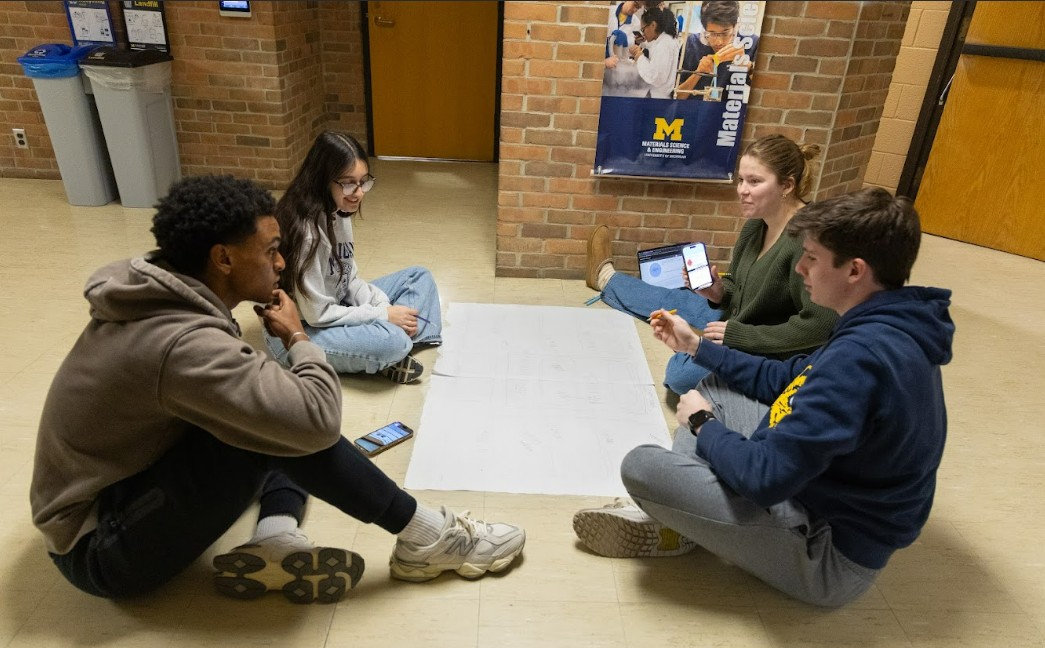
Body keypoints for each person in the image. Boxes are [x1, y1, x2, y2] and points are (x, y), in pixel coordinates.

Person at [30, 174, 525, 604]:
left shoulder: (161, 294)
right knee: (285, 418)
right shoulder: (180, 343)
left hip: (121, 491)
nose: (282, 263)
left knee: (264, 407)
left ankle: (276, 533)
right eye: (269, 251)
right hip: (99, 549)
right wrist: (297, 336)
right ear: (223, 258)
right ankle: (425, 537)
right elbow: (316, 421)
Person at [573, 188, 954, 608]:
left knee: (642, 465)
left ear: (854, 271)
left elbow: (767, 479)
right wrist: (697, 347)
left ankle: (674, 519)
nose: (801, 268)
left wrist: (704, 426)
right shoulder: (883, 321)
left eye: (812, 257)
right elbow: (786, 378)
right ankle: (687, 513)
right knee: (714, 384)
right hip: (814, 488)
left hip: (825, 554)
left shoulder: (860, 360)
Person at [586, 134, 837, 394]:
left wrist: (738, 336)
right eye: (741, 180)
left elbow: (820, 325)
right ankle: (606, 277)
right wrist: (718, 292)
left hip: (770, 347)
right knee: (675, 299)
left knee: (680, 376)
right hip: (737, 319)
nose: (742, 190)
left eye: (754, 181)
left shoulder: (809, 241)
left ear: (787, 185)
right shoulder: (756, 224)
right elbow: (737, 285)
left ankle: (692, 343)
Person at [266, 131, 442, 384]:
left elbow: (349, 278)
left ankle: (386, 352)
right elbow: (318, 315)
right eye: (348, 183)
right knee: (392, 340)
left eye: (363, 182)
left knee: (418, 277)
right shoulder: (307, 234)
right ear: (322, 180)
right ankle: (390, 349)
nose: (358, 193)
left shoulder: (338, 212)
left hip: (336, 307)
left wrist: (382, 307)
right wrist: (382, 316)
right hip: (298, 332)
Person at [676, 1, 756, 100]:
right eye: (712, 33)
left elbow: (767, 93)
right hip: (693, 111)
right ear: (704, 29)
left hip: (730, 112)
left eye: (725, 33)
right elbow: (676, 96)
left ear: (735, 27)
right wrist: (697, 73)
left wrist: (748, 67)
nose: (718, 42)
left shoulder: (749, 42)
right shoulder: (691, 44)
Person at [628, 6, 679, 99]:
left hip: (660, 98)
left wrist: (640, 56)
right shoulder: (664, 39)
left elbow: (656, 77)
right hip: (658, 95)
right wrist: (642, 44)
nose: (643, 33)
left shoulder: (664, 44)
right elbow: (652, 46)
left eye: (643, 29)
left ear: (653, 25)